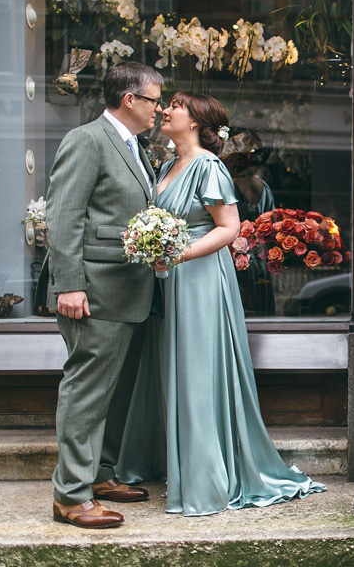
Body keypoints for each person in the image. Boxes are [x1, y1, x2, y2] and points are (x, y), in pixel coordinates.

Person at [115, 92, 324, 515]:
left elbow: (228, 228)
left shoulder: (208, 166)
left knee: (196, 368)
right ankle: (172, 461)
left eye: (175, 105)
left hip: (198, 279)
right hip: (168, 277)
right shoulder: (167, 165)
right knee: (170, 364)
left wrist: (179, 254)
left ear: (194, 122)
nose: (165, 111)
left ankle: (205, 476)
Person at [47, 61, 164, 529]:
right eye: (155, 99)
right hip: (94, 294)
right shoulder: (87, 140)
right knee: (88, 392)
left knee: (114, 395)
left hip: (131, 293)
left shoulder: (135, 146)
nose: (160, 108)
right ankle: (70, 496)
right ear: (130, 99)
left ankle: (101, 475)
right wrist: (69, 284)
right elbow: (64, 216)